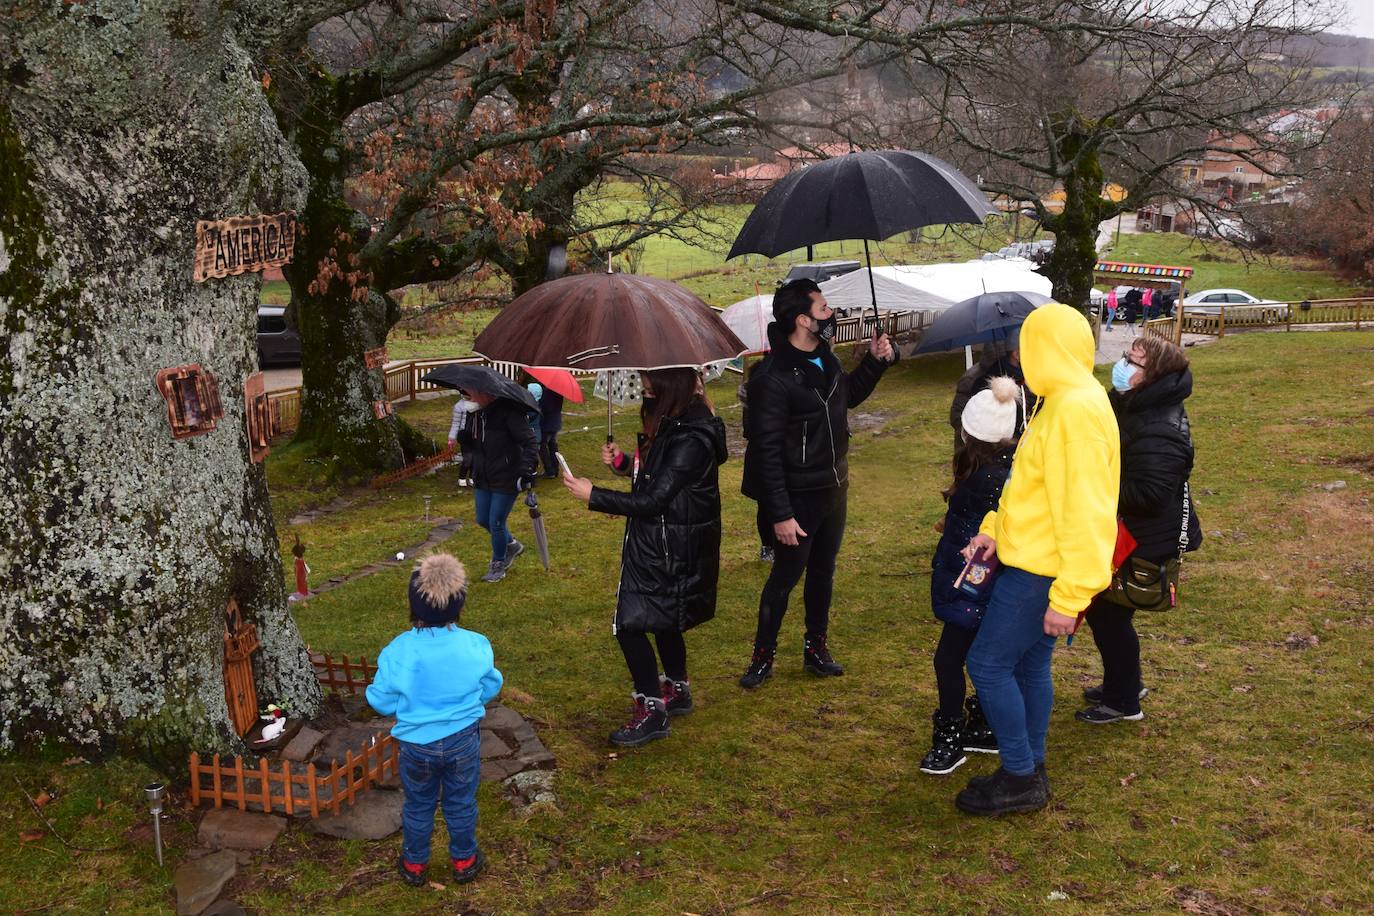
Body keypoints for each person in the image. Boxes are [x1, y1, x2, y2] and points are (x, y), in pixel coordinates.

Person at [955, 302, 1120, 816]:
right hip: (1031, 558)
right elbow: (1030, 491)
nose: (1021, 359)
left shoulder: (1076, 412)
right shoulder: (1063, 401)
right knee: (1028, 665)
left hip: (1042, 571)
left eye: (1028, 348)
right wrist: (993, 532)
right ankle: (1030, 765)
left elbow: (1088, 512)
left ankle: (1021, 775)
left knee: (987, 663)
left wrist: (1071, 596)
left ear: (1051, 349)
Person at [738, 278, 896, 688]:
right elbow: (766, 453)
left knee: (823, 572)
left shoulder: (827, 358)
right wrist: (781, 514)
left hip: (834, 488)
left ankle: (815, 649)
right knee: (785, 578)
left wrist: (875, 362)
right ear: (803, 319)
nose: (833, 316)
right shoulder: (771, 379)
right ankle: (762, 657)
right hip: (797, 496)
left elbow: (845, 399)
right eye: (825, 310)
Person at [562, 368, 727, 746]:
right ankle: (678, 689)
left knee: (630, 623)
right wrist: (622, 463)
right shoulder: (677, 422)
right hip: (666, 539)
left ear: (669, 385)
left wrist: (595, 495)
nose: (644, 389)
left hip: (668, 544)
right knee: (664, 618)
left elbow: (654, 500)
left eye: (649, 383)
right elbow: (654, 480)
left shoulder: (691, 436)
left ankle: (652, 709)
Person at [1079, 336, 1202, 723]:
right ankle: (1124, 683)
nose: (1124, 366)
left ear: (1154, 375)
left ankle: (1123, 701)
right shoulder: (1138, 404)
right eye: (1125, 357)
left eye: (1134, 362)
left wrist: (1096, 482)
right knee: (1111, 614)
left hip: (1144, 536)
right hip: (1133, 531)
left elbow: (1148, 494)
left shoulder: (1161, 427)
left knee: (1108, 615)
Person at [366, 553, 502, 887]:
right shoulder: (475, 645)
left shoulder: (398, 651)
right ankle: (464, 860)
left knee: (419, 804)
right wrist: (470, 702)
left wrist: (403, 702)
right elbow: (490, 684)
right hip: (463, 740)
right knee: (460, 802)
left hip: (416, 746)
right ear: (459, 605)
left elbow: (380, 700)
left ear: (413, 606)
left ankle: (414, 864)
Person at [920, 377, 1019, 776]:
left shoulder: (984, 477)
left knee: (949, 660)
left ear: (968, 432)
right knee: (985, 655)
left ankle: (950, 737)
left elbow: (974, 533)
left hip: (973, 582)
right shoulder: (1010, 470)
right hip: (988, 582)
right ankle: (984, 723)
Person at [456, 388, 540, 582]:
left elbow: (530, 442)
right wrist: (466, 440)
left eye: (469, 395)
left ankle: (498, 563)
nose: (467, 400)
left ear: (486, 394)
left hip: (507, 476)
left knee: (496, 522)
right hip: (483, 474)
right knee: (482, 519)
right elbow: (478, 443)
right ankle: (511, 544)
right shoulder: (476, 414)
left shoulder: (509, 413)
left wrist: (527, 466)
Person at [537, 384, 565, 478]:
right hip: (555, 422)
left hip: (547, 424)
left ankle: (549, 471)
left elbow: (546, 408)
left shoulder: (548, 392)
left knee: (543, 447)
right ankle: (555, 469)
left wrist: (539, 404)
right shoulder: (559, 391)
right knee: (553, 446)